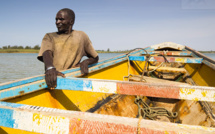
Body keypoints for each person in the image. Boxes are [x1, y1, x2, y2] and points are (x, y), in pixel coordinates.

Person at [37, 8, 99, 90]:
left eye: (61, 19)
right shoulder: (49, 36)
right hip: (53, 78)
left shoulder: (81, 36)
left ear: (71, 21)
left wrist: (86, 62)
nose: (57, 22)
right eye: (56, 19)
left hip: (72, 78)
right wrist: (50, 68)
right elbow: (46, 52)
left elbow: (95, 58)